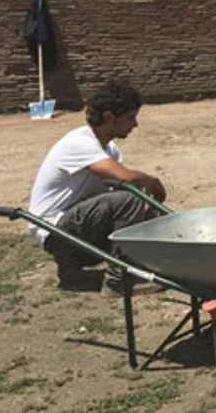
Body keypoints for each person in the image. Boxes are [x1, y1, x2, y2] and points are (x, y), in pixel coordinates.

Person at [29, 80, 166, 296]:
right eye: (130, 117)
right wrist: (154, 182)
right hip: (54, 232)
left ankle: (74, 272)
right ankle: (118, 282)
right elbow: (126, 178)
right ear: (110, 117)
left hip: (76, 229)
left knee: (140, 205)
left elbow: (120, 193)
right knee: (130, 200)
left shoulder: (110, 151)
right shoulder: (79, 142)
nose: (135, 124)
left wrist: (146, 208)